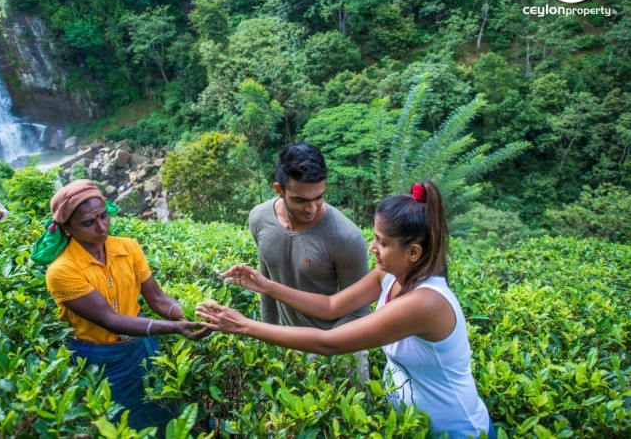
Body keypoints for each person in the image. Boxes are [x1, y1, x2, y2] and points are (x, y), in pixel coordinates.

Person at [197, 181, 495, 438]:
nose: (372, 247)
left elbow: (329, 343)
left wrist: (243, 325)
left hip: (457, 431)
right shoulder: (391, 276)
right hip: (412, 426)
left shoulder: (425, 302)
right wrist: (267, 286)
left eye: (382, 242)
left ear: (413, 252)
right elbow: (331, 306)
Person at [31, 179, 208, 430]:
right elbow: (110, 320)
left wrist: (188, 314)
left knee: (167, 410)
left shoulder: (128, 247)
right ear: (67, 228)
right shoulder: (62, 270)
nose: (101, 227)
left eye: (103, 216)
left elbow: (157, 297)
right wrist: (176, 328)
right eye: (88, 223)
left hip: (142, 346)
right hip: (100, 359)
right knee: (122, 424)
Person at [244, 142, 371, 383]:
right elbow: (266, 284)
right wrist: (270, 342)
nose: (311, 208)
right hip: (290, 348)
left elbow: (359, 313)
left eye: (319, 197)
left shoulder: (346, 237)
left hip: (342, 354)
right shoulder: (259, 219)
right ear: (279, 189)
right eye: (300, 200)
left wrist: (321, 351)